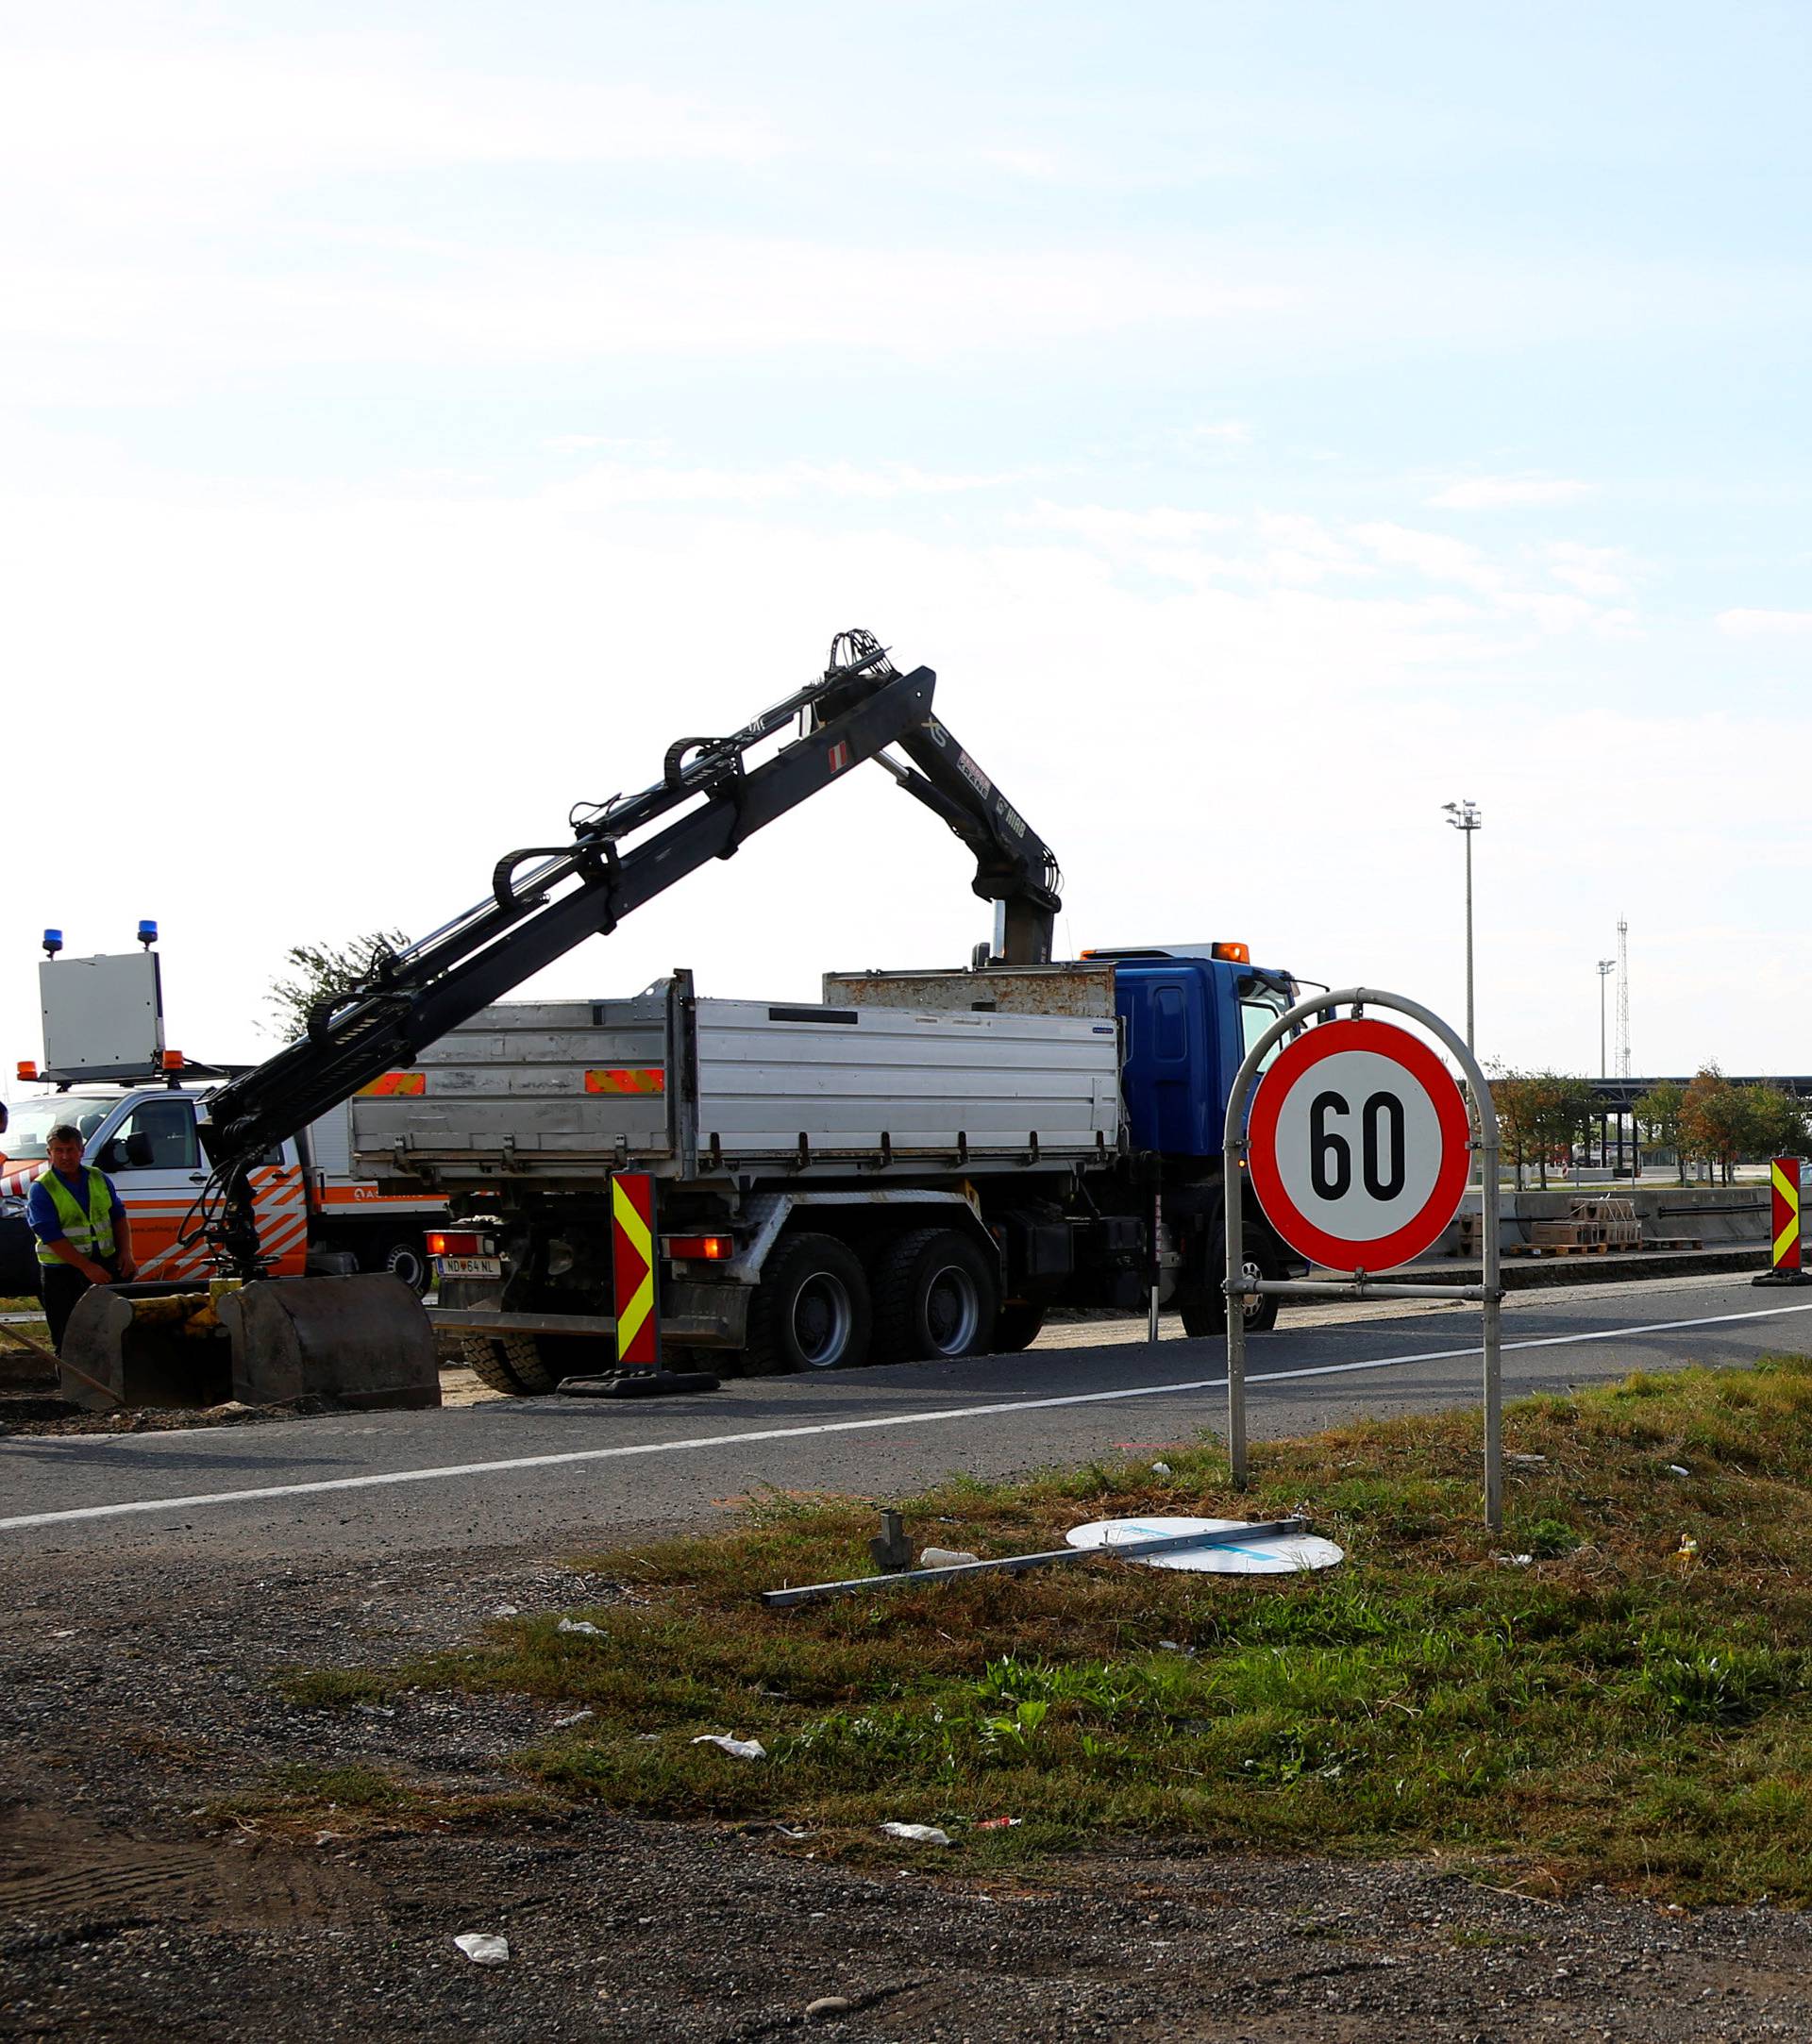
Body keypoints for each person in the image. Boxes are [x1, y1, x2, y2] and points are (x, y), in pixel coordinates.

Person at [27, 1125, 137, 1352]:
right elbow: (50, 1235)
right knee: (68, 1337)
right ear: (49, 1153)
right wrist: (86, 1267)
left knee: (112, 1332)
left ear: (81, 1151)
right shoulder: (42, 1188)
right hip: (63, 1272)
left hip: (105, 1264)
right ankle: (74, 1386)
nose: (65, 1156)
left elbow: (117, 1215)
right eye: (59, 1150)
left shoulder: (98, 1178)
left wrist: (126, 1253)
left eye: (70, 1150)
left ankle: (108, 1385)